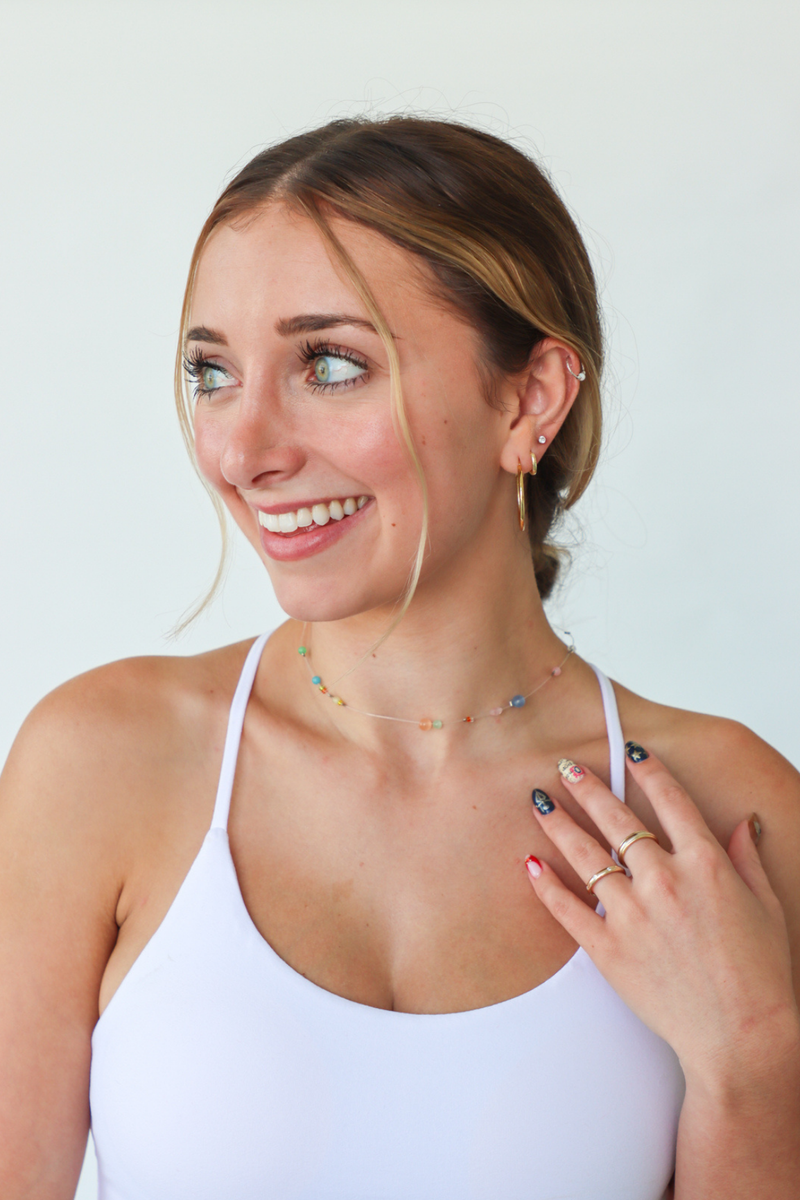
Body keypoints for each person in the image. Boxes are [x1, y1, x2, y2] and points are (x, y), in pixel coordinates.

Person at [1, 116, 798, 1200]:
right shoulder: (100, 766)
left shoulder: (720, 815)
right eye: (211, 371)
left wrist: (753, 1057)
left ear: (528, 400)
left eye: (328, 364)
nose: (240, 450)